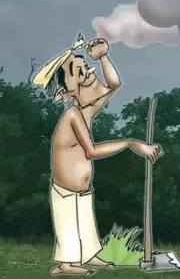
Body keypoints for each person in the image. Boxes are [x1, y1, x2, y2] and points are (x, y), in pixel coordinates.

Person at [32, 33, 163, 276]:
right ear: (64, 91)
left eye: (85, 68)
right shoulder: (72, 115)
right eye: (78, 72)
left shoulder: (86, 112)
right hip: (65, 189)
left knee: (85, 223)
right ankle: (65, 265)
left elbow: (114, 85)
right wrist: (131, 143)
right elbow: (91, 151)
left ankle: (90, 255)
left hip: (81, 188)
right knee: (68, 224)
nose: (87, 74)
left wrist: (104, 58)